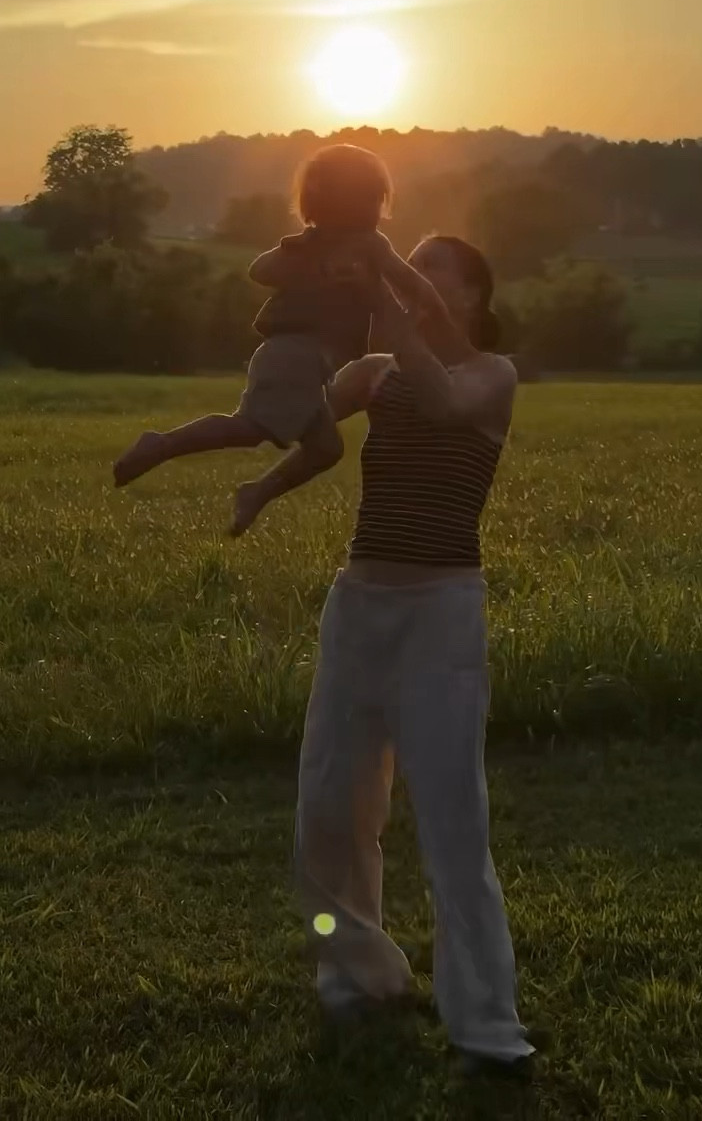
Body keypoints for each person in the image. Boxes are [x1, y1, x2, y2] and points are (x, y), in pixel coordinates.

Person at [241, 234, 536, 1075]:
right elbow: (306, 430)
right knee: (330, 808)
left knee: (452, 823)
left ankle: (486, 1025)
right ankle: (357, 972)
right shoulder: (374, 372)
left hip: (442, 614)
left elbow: (441, 403)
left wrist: (375, 266)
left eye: (431, 270)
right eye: (410, 266)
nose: (415, 281)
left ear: (474, 295)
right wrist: (260, 475)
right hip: (359, 608)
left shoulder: (491, 375)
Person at [112, 145, 440, 537]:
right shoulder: (315, 245)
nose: (374, 208)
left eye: (377, 198)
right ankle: (161, 445)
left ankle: (255, 492)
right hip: (292, 357)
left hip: (307, 364)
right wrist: (317, 265)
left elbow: (405, 283)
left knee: (325, 450)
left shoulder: (369, 244)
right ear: (329, 201)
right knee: (249, 429)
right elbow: (260, 269)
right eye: (365, 197)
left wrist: (429, 306)